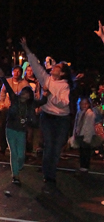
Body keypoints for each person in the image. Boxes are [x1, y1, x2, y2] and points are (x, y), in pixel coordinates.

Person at [20, 37, 71, 194]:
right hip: (47, 117)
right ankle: (48, 175)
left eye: (58, 66)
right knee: (48, 145)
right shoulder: (46, 79)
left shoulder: (65, 86)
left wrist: (49, 96)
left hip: (62, 119)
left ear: (61, 72)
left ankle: (51, 173)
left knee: (56, 148)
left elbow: (64, 102)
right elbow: (36, 66)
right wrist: (26, 48)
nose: (54, 67)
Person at [1, 81, 36, 185]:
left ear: (29, 97)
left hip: (21, 131)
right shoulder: (15, 100)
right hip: (10, 129)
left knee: (21, 154)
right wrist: (3, 77)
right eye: (23, 92)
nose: (23, 95)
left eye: (26, 94)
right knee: (14, 152)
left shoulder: (29, 107)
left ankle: (19, 166)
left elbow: (33, 118)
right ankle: (15, 175)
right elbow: (9, 88)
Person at [0, 66, 29, 155]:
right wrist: (2, 102)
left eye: (18, 71)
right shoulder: (8, 81)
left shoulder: (24, 83)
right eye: (14, 71)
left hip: (18, 109)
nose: (16, 73)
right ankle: (2, 147)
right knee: (3, 127)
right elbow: (3, 91)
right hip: (7, 107)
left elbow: (27, 94)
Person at [73, 97, 97, 175]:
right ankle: (83, 167)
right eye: (82, 104)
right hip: (80, 134)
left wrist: (87, 137)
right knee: (82, 151)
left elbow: (89, 127)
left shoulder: (90, 114)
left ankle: (84, 167)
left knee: (85, 152)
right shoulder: (79, 112)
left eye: (86, 104)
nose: (84, 105)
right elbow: (77, 124)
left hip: (86, 135)